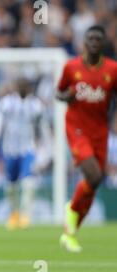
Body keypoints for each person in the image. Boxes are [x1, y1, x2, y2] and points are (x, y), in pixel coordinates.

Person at [57, 25, 117, 253]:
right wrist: (67, 96)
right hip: (77, 128)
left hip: (100, 131)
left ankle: (70, 231)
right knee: (93, 174)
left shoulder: (112, 69)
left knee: (95, 182)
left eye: (98, 39)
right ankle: (71, 209)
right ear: (84, 42)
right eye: (90, 38)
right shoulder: (71, 67)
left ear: (103, 44)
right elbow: (58, 92)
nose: (93, 42)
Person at [0, 76, 51, 230]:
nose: (22, 87)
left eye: (25, 85)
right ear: (15, 86)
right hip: (10, 150)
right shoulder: (6, 103)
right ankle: (14, 214)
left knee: (29, 182)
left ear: (29, 88)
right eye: (19, 84)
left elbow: (43, 129)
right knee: (11, 186)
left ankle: (26, 216)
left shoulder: (36, 106)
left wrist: (48, 149)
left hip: (28, 149)